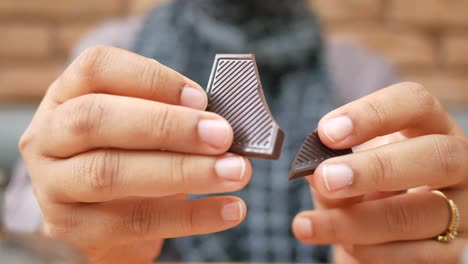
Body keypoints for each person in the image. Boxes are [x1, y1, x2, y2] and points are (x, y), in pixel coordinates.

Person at [5, 0, 468, 263]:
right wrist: (74, 226)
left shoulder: (360, 73)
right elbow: (31, 219)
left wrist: (439, 221)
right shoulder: (118, 53)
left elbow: (413, 204)